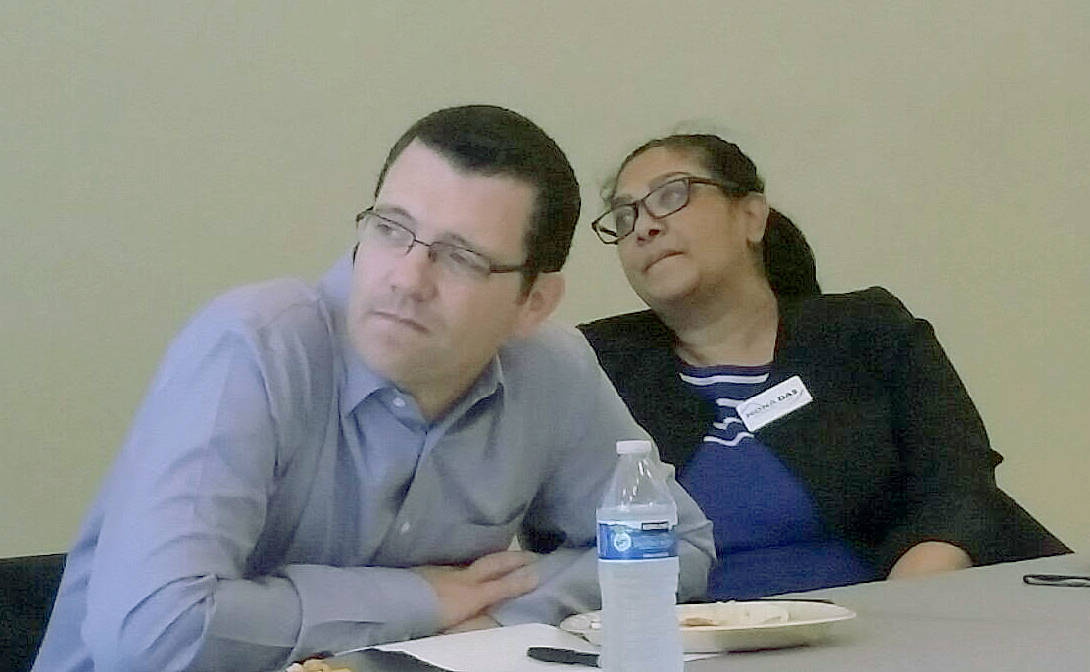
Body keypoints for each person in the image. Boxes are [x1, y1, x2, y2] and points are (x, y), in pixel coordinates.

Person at [33, 106, 714, 672]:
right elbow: (151, 634)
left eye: (461, 256)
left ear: (533, 302)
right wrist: (415, 600)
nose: (405, 278)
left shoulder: (552, 369)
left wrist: (495, 613)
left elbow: (676, 546)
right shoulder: (253, 347)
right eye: (392, 230)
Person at [579, 133, 1068, 601]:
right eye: (624, 216)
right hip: (680, 645)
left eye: (671, 195)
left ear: (751, 216)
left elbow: (959, 489)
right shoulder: (595, 366)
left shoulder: (865, 332)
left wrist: (906, 620)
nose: (644, 226)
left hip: (882, 629)